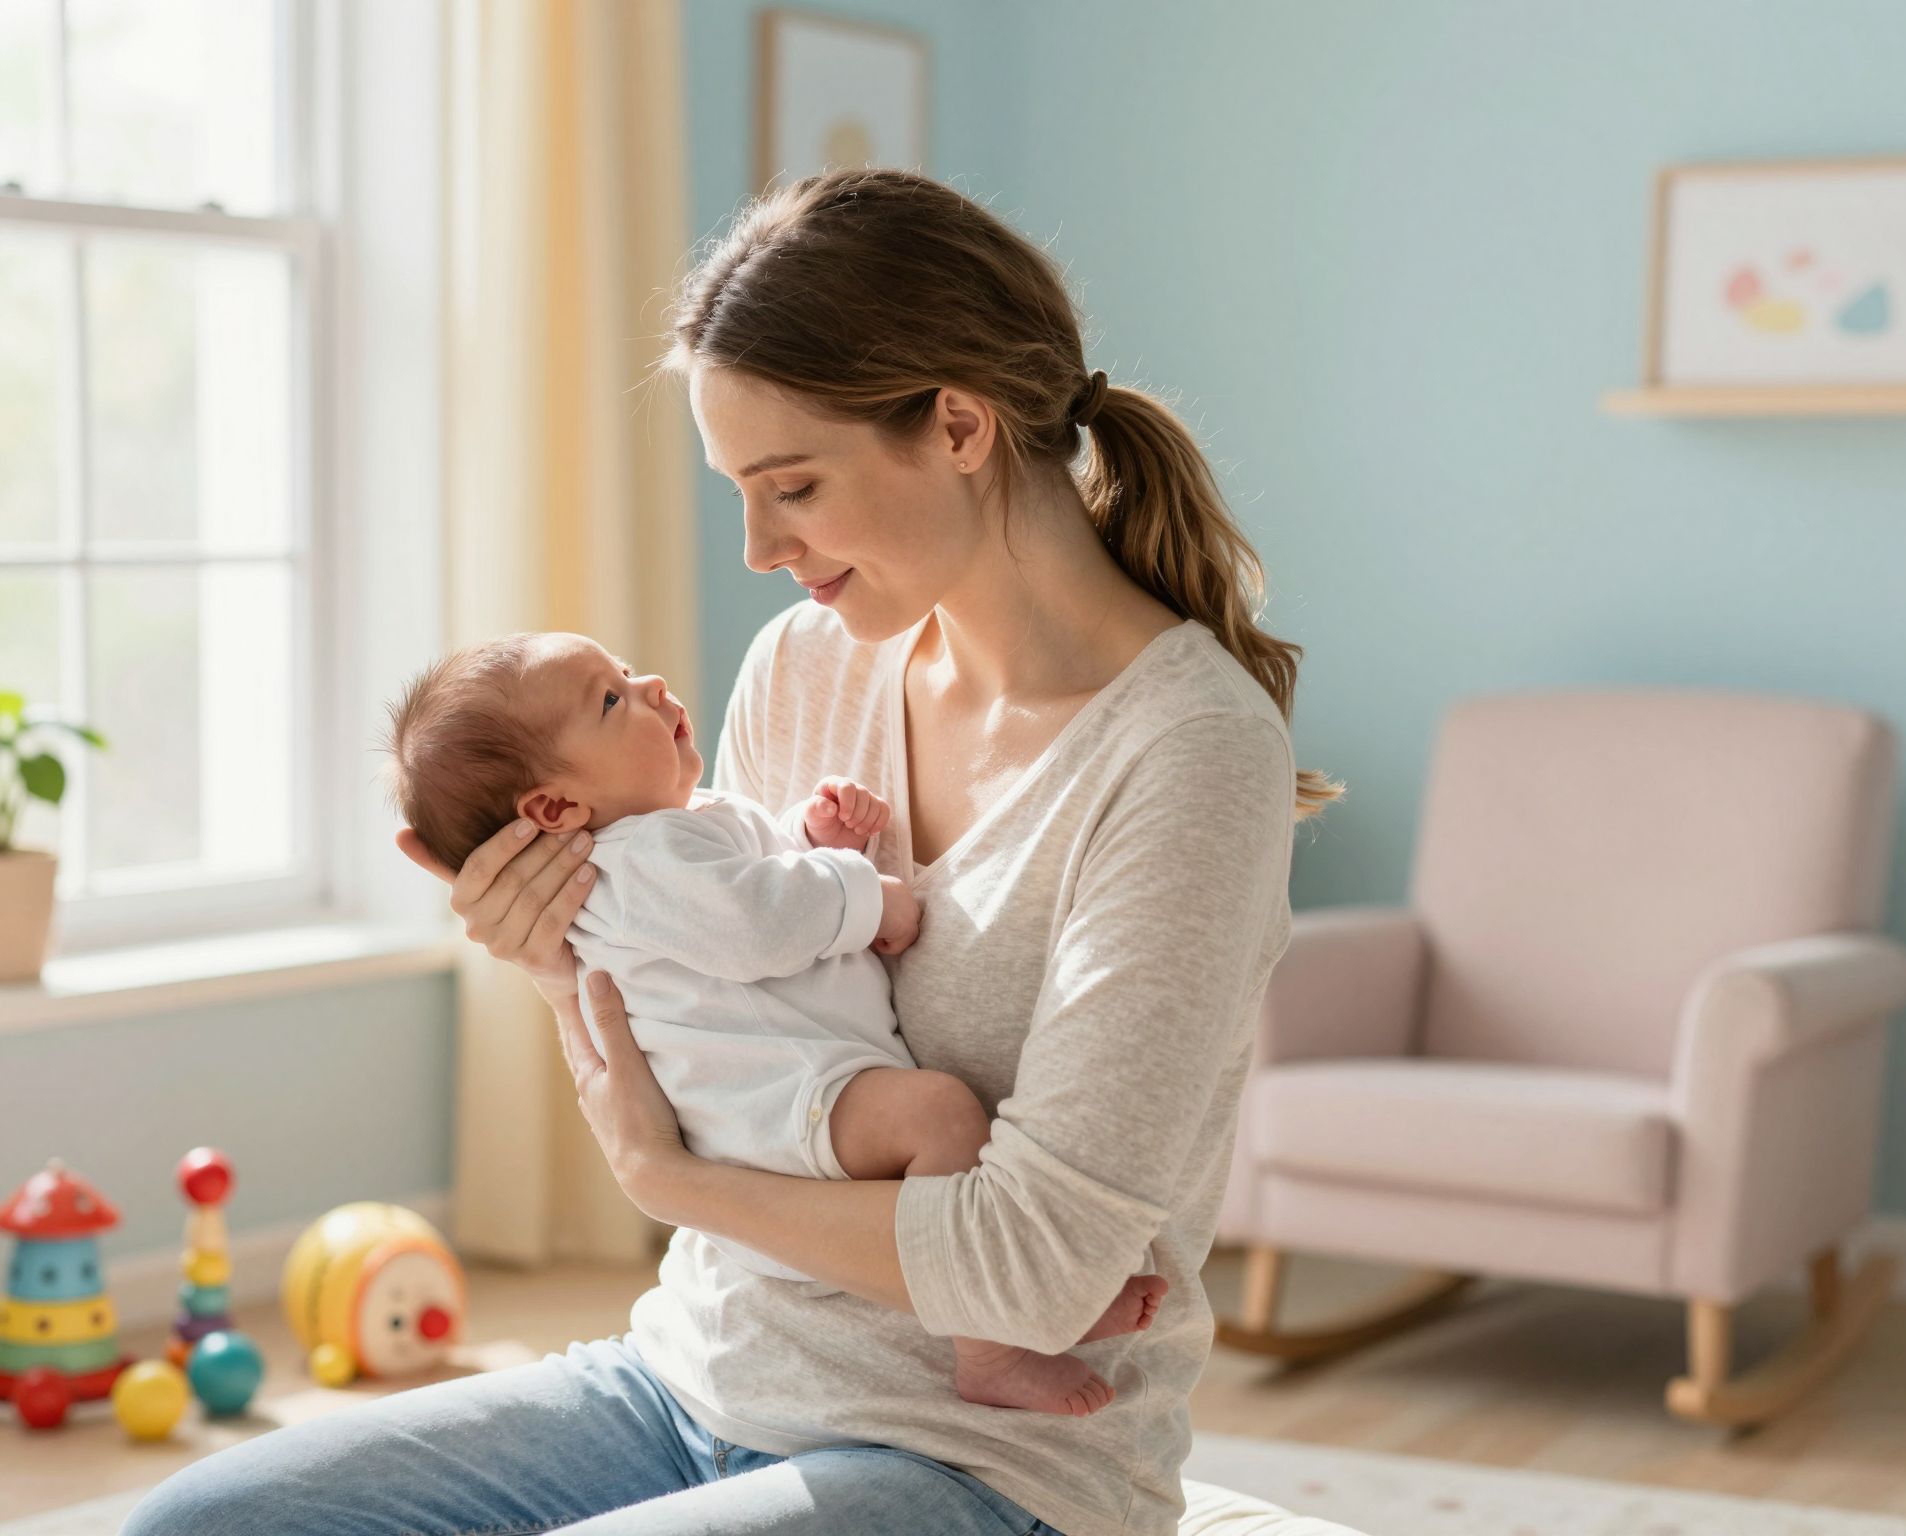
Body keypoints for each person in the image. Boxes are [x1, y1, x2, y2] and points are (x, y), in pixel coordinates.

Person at [121, 165, 1336, 1536]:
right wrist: (565, 952)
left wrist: (666, 1183)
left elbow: (1037, 1277)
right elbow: (719, 1040)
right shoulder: (813, 661)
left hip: (978, 1468)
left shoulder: (1185, 753)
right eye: (739, 494)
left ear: (956, 424)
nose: (761, 549)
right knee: (200, 1527)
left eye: (793, 486)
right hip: (688, 1380)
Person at [380, 628, 1167, 1414]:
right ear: (556, 807)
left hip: (790, 1096)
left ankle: (1029, 1304)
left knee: (938, 1124)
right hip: (773, 1115)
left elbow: (747, 882)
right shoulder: (629, 863)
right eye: (612, 700)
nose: (651, 684)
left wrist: (812, 836)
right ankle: (994, 1345)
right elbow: (755, 923)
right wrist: (868, 893)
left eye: (624, 667)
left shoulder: (675, 831)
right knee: (940, 1116)